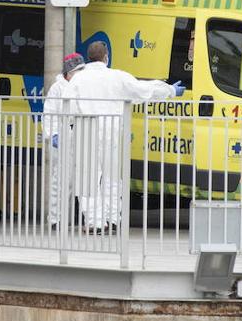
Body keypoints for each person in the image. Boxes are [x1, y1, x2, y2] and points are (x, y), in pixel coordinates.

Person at [67, 40, 185, 233]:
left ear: (89, 58)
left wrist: (67, 129)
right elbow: (142, 89)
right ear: (106, 57)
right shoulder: (117, 76)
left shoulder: (78, 80)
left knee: (88, 178)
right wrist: (169, 90)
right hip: (112, 129)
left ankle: (96, 223)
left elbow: (68, 105)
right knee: (112, 178)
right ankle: (113, 218)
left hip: (85, 128)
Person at [42, 52, 85, 229]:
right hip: (62, 136)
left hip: (81, 136)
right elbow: (49, 113)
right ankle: (55, 219)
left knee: (84, 180)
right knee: (60, 180)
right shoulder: (57, 88)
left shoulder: (83, 86)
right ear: (69, 72)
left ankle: (89, 219)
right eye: (77, 70)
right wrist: (53, 134)